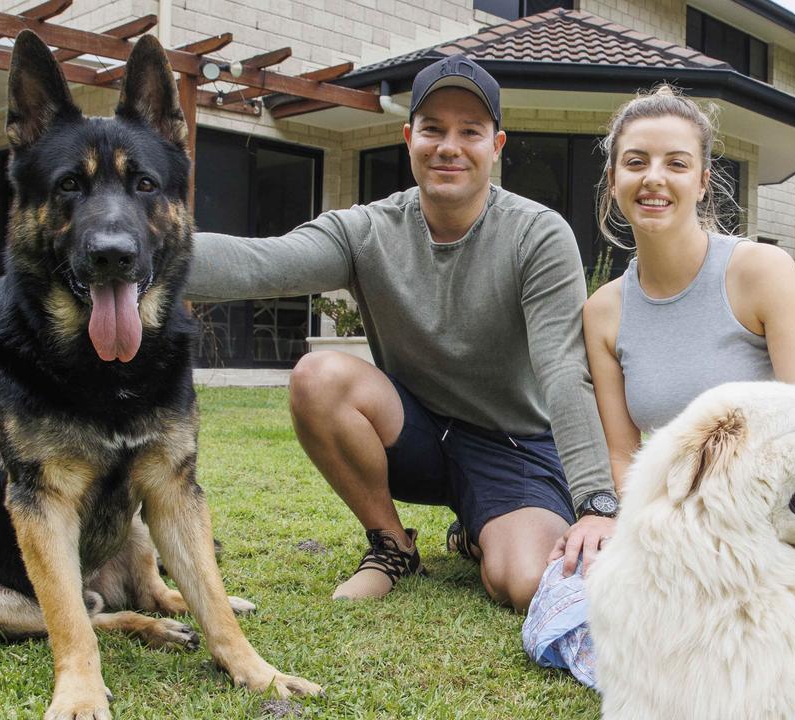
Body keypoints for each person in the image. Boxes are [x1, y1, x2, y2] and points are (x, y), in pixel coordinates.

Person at [187, 54, 616, 610]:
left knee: (527, 581)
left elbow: (563, 367)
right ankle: (393, 546)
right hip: (418, 434)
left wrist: (597, 503)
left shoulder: (536, 235)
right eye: (433, 129)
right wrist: (133, 256)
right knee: (319, 376)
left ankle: (479, 531)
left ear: (497, 146)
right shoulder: (366, 231)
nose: (448, 146)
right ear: (408, 138)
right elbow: (261, 262)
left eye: (470, 132)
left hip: (514, 444)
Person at [550, 84, 795, 629]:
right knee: (570, 608)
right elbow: (623, 461)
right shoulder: (603, 311)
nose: (654, 177)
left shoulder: (760, 274)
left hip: (780, 522)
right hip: (696, 530)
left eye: (676, 163)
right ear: (613, 180)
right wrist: (627, 538)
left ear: (703, 181)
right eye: (636, 162)